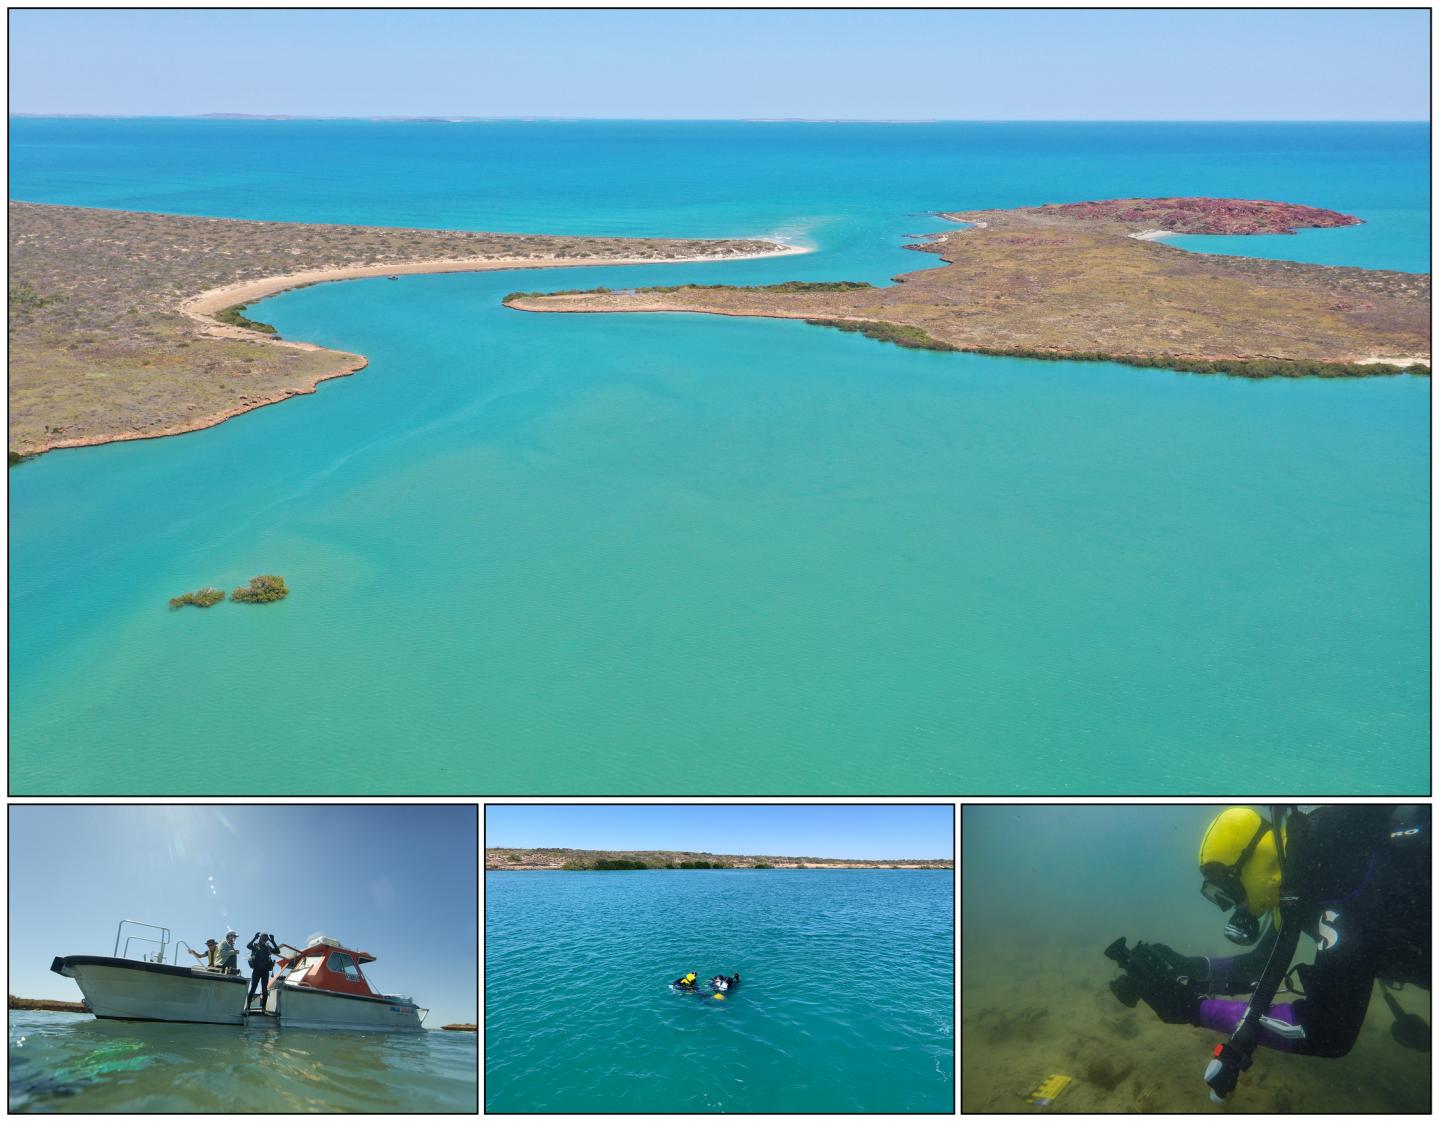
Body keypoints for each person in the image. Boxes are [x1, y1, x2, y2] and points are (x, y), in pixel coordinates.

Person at [1108, 806, 1429, 1074]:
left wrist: (1196, 1009)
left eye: (1229, 888)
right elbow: (1258, 967)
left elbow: (1327, 1031)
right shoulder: (1298, 879)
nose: (1234, 905)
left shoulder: (1337, 879)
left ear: (1255, 863)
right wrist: (1189, 967)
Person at [246, 932, 281, 1010]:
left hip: (265, 971)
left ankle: (263, 1008)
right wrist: (255, 938)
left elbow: (278, 951)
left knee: (264, 989)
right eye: (262, 938)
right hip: (256, 970)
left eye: (265, 939)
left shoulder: (268, 947)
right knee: (253, 988)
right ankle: (247, 1007)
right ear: (260, 938)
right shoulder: (256, 945)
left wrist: (273, 941)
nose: (264, 940)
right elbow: (248, 946)